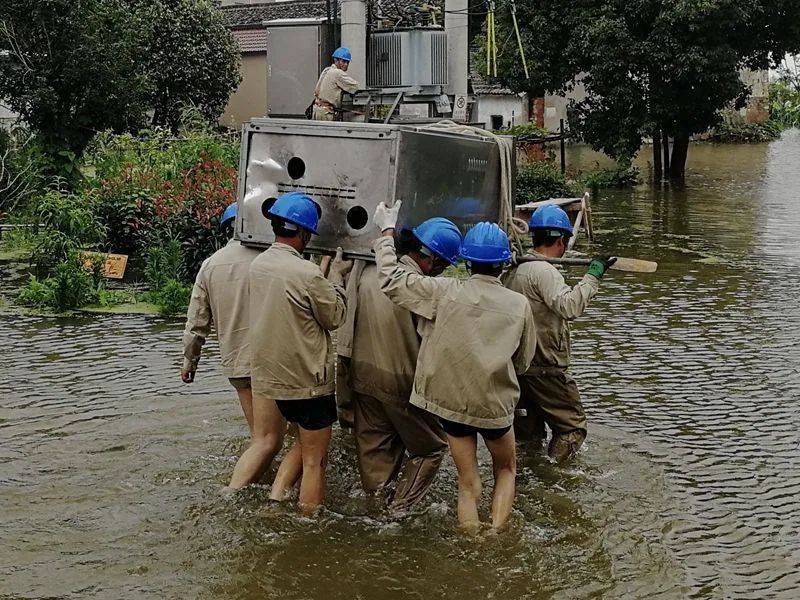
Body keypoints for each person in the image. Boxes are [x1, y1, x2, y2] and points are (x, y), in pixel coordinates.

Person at [372, 202, 536, 532]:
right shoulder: (519, 305)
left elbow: (391, 280)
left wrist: (387, 232)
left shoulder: (444, 291)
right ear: (503, 263)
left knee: (467, 480)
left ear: (465, 260)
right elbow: (523, 360)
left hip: (452, 405)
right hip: (493, 405)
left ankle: (471, 538)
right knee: (506, 470)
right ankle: (495, 537)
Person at [227, 192, 351, 513]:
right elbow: (334, 317)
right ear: (305, 234)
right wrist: (335, 278)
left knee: (295, 442)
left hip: (273, 380)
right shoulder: (307, 274)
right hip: (308, 382)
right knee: (314, 460)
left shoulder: (259, 265)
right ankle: (308, 523)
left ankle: (276, 496)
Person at [349, 219, 463, 512]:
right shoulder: (424, 287)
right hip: (401, 382)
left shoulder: (368, 271)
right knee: (432, 448)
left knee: (376, 456)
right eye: (442, 265)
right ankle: (399, 511)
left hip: (362, 378)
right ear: (431, 260)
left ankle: (375, 512)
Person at [507, 204, 616, 462]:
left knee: (526, 435)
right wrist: (593, 276)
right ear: (561, 241)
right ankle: (558, 475)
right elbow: (569, 306)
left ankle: (522, 480)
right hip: (546, 368)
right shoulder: (544, 272)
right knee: (571, 428)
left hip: (518, 368)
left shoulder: (514, 270)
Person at [181, 203, 262, 434]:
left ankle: (260, 470)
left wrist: (189, 361)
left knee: (258, 436)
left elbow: (196, 322)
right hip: (273, 362)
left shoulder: (210, 265)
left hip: (237, 365)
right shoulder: (272, 258)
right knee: (286, 437)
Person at [312, 47, 360, 121]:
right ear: (336, 60)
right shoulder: (337, 73)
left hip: (317, 110)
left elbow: (316, 90)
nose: (346, 64)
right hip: (326, 113)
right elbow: (355, 87)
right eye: (343, 61)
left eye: (347, 62)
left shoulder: (327, 70)